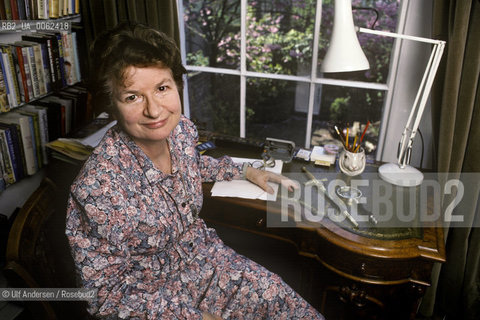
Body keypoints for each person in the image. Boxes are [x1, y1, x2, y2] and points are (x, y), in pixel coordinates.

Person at [65, 22, 324, 320]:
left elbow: (194, 163)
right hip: (151, 301)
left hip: (209, 261)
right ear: (113, 104)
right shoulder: (96, 189)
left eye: (162, 88)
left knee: (287, 306)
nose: (154, 110)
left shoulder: (180, 131)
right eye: (133, 96)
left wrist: (247, 172)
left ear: (176, 86)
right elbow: (105, 297)